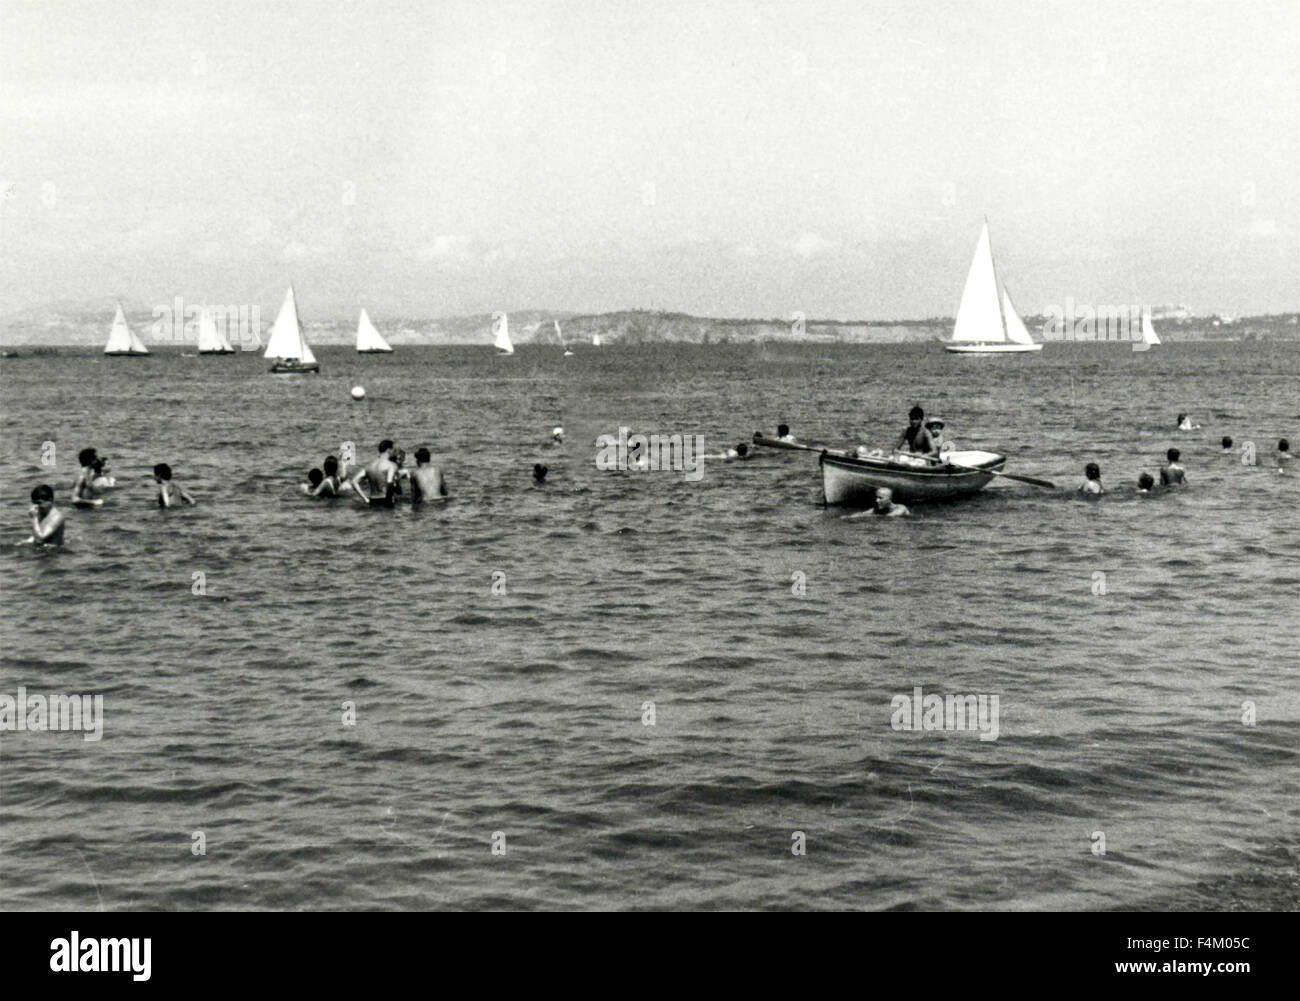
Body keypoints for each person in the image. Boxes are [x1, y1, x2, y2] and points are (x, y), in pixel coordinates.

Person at [351, 439, 399, 505]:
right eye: (394, 450)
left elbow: (354, 481)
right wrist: (390, 499)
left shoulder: (369, 466)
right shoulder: (391, 465)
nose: (395, 452)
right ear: (388, 450)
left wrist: (365, 499)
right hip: (386, 499)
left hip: (372, 500)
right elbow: (389, 482)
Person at [846, 486, 911, 518]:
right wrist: (848, 517)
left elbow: (890, 516)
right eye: (876, 497)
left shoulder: (900, 508)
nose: (877, 500)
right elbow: (862, 513)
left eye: (880, 498)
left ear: (889, 499)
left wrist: (870, 516)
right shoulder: (876, 510)